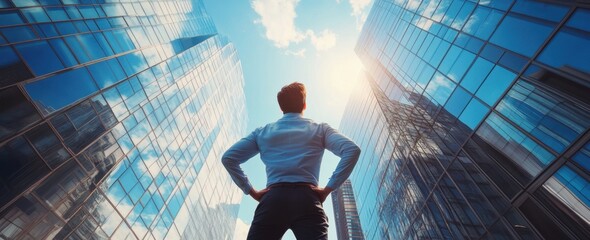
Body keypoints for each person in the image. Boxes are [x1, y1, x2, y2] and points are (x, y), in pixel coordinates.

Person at [222, 82, 361, 240]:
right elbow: (352, 150)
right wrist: (328, 188)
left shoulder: (262, 132)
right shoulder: (320, 129)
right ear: (304, 104)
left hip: (273, 199)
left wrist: (251, 191)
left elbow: (228, 158)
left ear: (281, 108)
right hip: (308, 198)